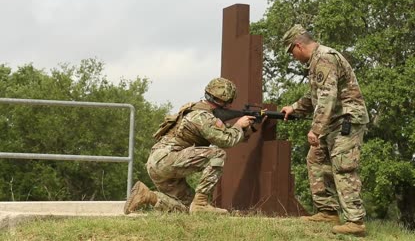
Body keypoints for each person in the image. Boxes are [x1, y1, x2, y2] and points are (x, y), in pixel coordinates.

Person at [280, 24, 370, 237]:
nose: (292, 57)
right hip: (333, 121)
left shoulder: (325, 58)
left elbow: (327, 97)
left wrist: (316, 129)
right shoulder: (316, 62)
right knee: (316, 160)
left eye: (291, 52)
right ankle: (328, 211)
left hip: (346, 120)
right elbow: (316, 97)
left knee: (343, 166)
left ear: (298, 45)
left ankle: (356, 222)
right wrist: (294, 107)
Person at [124, 77, 255, 214]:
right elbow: (226, 140)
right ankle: (202, 203)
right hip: (166, 159)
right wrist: (239, 125)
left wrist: (247, 129)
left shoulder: (198, 112)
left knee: (188, 208)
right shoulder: (202, 116)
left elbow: (226, 132)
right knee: (217, 154)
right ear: (225, 101)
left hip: (158, 163)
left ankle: (147, 196)